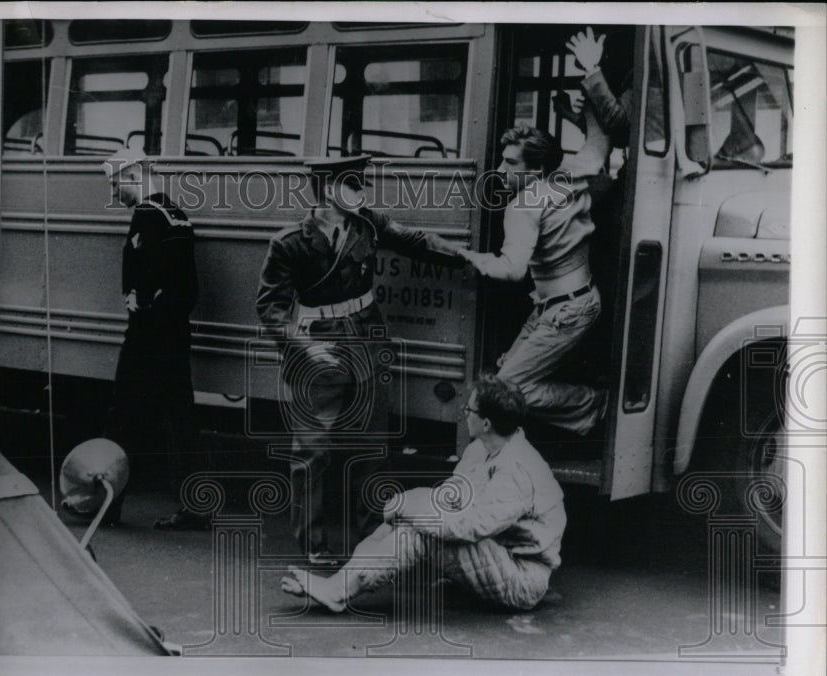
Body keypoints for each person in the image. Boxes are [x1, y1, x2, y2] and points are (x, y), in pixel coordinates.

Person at [256, 156, 464, 566]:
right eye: (353, 185)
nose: (362, 191)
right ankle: (314, 545)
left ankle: (371, 533)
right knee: (313, 451)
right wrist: (303, 348)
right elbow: (271, 307)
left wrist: (468, 258)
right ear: (329, 191)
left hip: (367, 339)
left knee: (371, 444)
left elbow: (418, 241)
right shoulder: (290, 242)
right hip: (321, 346)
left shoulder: (367, 225)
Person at [281, 375, 565, 612]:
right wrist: (405, 507)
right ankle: (339, 583)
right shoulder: (481, 449)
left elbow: (468, 526)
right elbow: (450, 499)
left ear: (487, 423)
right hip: (500, 550)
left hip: (522, 575)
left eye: (469, 409)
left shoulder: (516, 468)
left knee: (423, 533)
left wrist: (406, 504)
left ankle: (338, 593)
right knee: (406, 521)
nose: (464, 412)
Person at [458, 102, 612, 436]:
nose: (500, 170)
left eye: (511, 163)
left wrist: (472, 257)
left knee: (508, 392)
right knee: (503, 379)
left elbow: (512, 270)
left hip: (565, 312)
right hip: (574, 302)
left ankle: (595, 404)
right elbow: (598, 147)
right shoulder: (568, 176)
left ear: (537, 167)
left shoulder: (522, 206)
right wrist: (589, 80)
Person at [100, 147, 209, 530]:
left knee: (123, 417)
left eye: (116, 183)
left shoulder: (155, 215)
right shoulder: (168, 214)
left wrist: (144, 305)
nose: (114, 193)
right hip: (168, 337)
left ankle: (106, 505)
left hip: (151, 337)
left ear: (132, 175)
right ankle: (196, 506)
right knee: (179, 420)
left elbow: (183, 286)